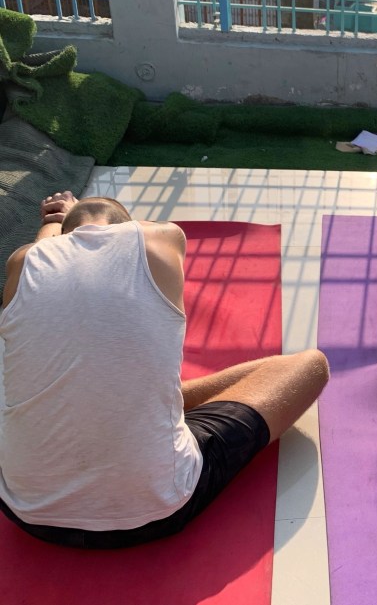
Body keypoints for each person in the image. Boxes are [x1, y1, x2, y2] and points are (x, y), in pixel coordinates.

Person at [0, 192, 329, 548]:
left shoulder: (22, 262)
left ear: (65, 234)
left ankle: (139, 400)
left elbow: (40, 251)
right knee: (310, 365)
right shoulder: (161, 239)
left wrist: (52, 221)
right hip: (157, 508)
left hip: (26, 510)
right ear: (128, 224)